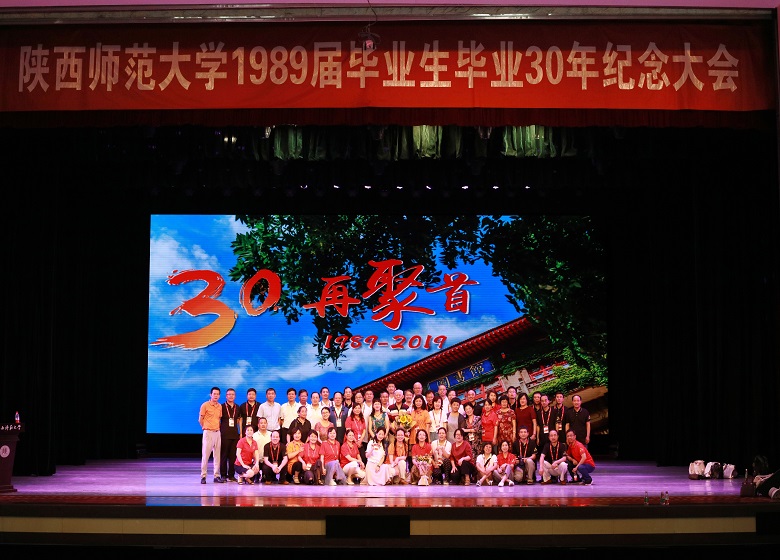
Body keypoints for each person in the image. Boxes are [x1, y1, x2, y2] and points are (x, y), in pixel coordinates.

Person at [199, 386, 225, 484]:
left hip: (217, 433)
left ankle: (216, 476)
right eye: (214, 394)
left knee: (217, 456)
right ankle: (203, 476)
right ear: (211, 395)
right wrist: (205, 427)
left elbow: (219, 419)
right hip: (208, 432)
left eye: (217, 394)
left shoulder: (220, 406)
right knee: (205, 456)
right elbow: (200, 419)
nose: (216, 396)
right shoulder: (205, 405)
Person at [219, 387, 240, 483]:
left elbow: (239, 420)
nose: (231, 396)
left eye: (233, 394)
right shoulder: (222, 407)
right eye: (229, 394)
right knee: (223, 456)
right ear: (226, 396)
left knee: (233, 457)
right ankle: (223, 475)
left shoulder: (237, 407)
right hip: (224, 435)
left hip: (234, 435)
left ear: (235, 396)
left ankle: (231, 475)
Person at [252, 416, 272, 483]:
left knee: (267, 469)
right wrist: (254, 459)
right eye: (261, 423)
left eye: (264, 423)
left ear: (267, 424)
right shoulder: (254, 435)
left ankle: (265, 476)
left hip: (267, 460)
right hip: (256, 460)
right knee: (251, 476)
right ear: (258, 425)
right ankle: (257, 474)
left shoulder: (271, 434)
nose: (263, 424)